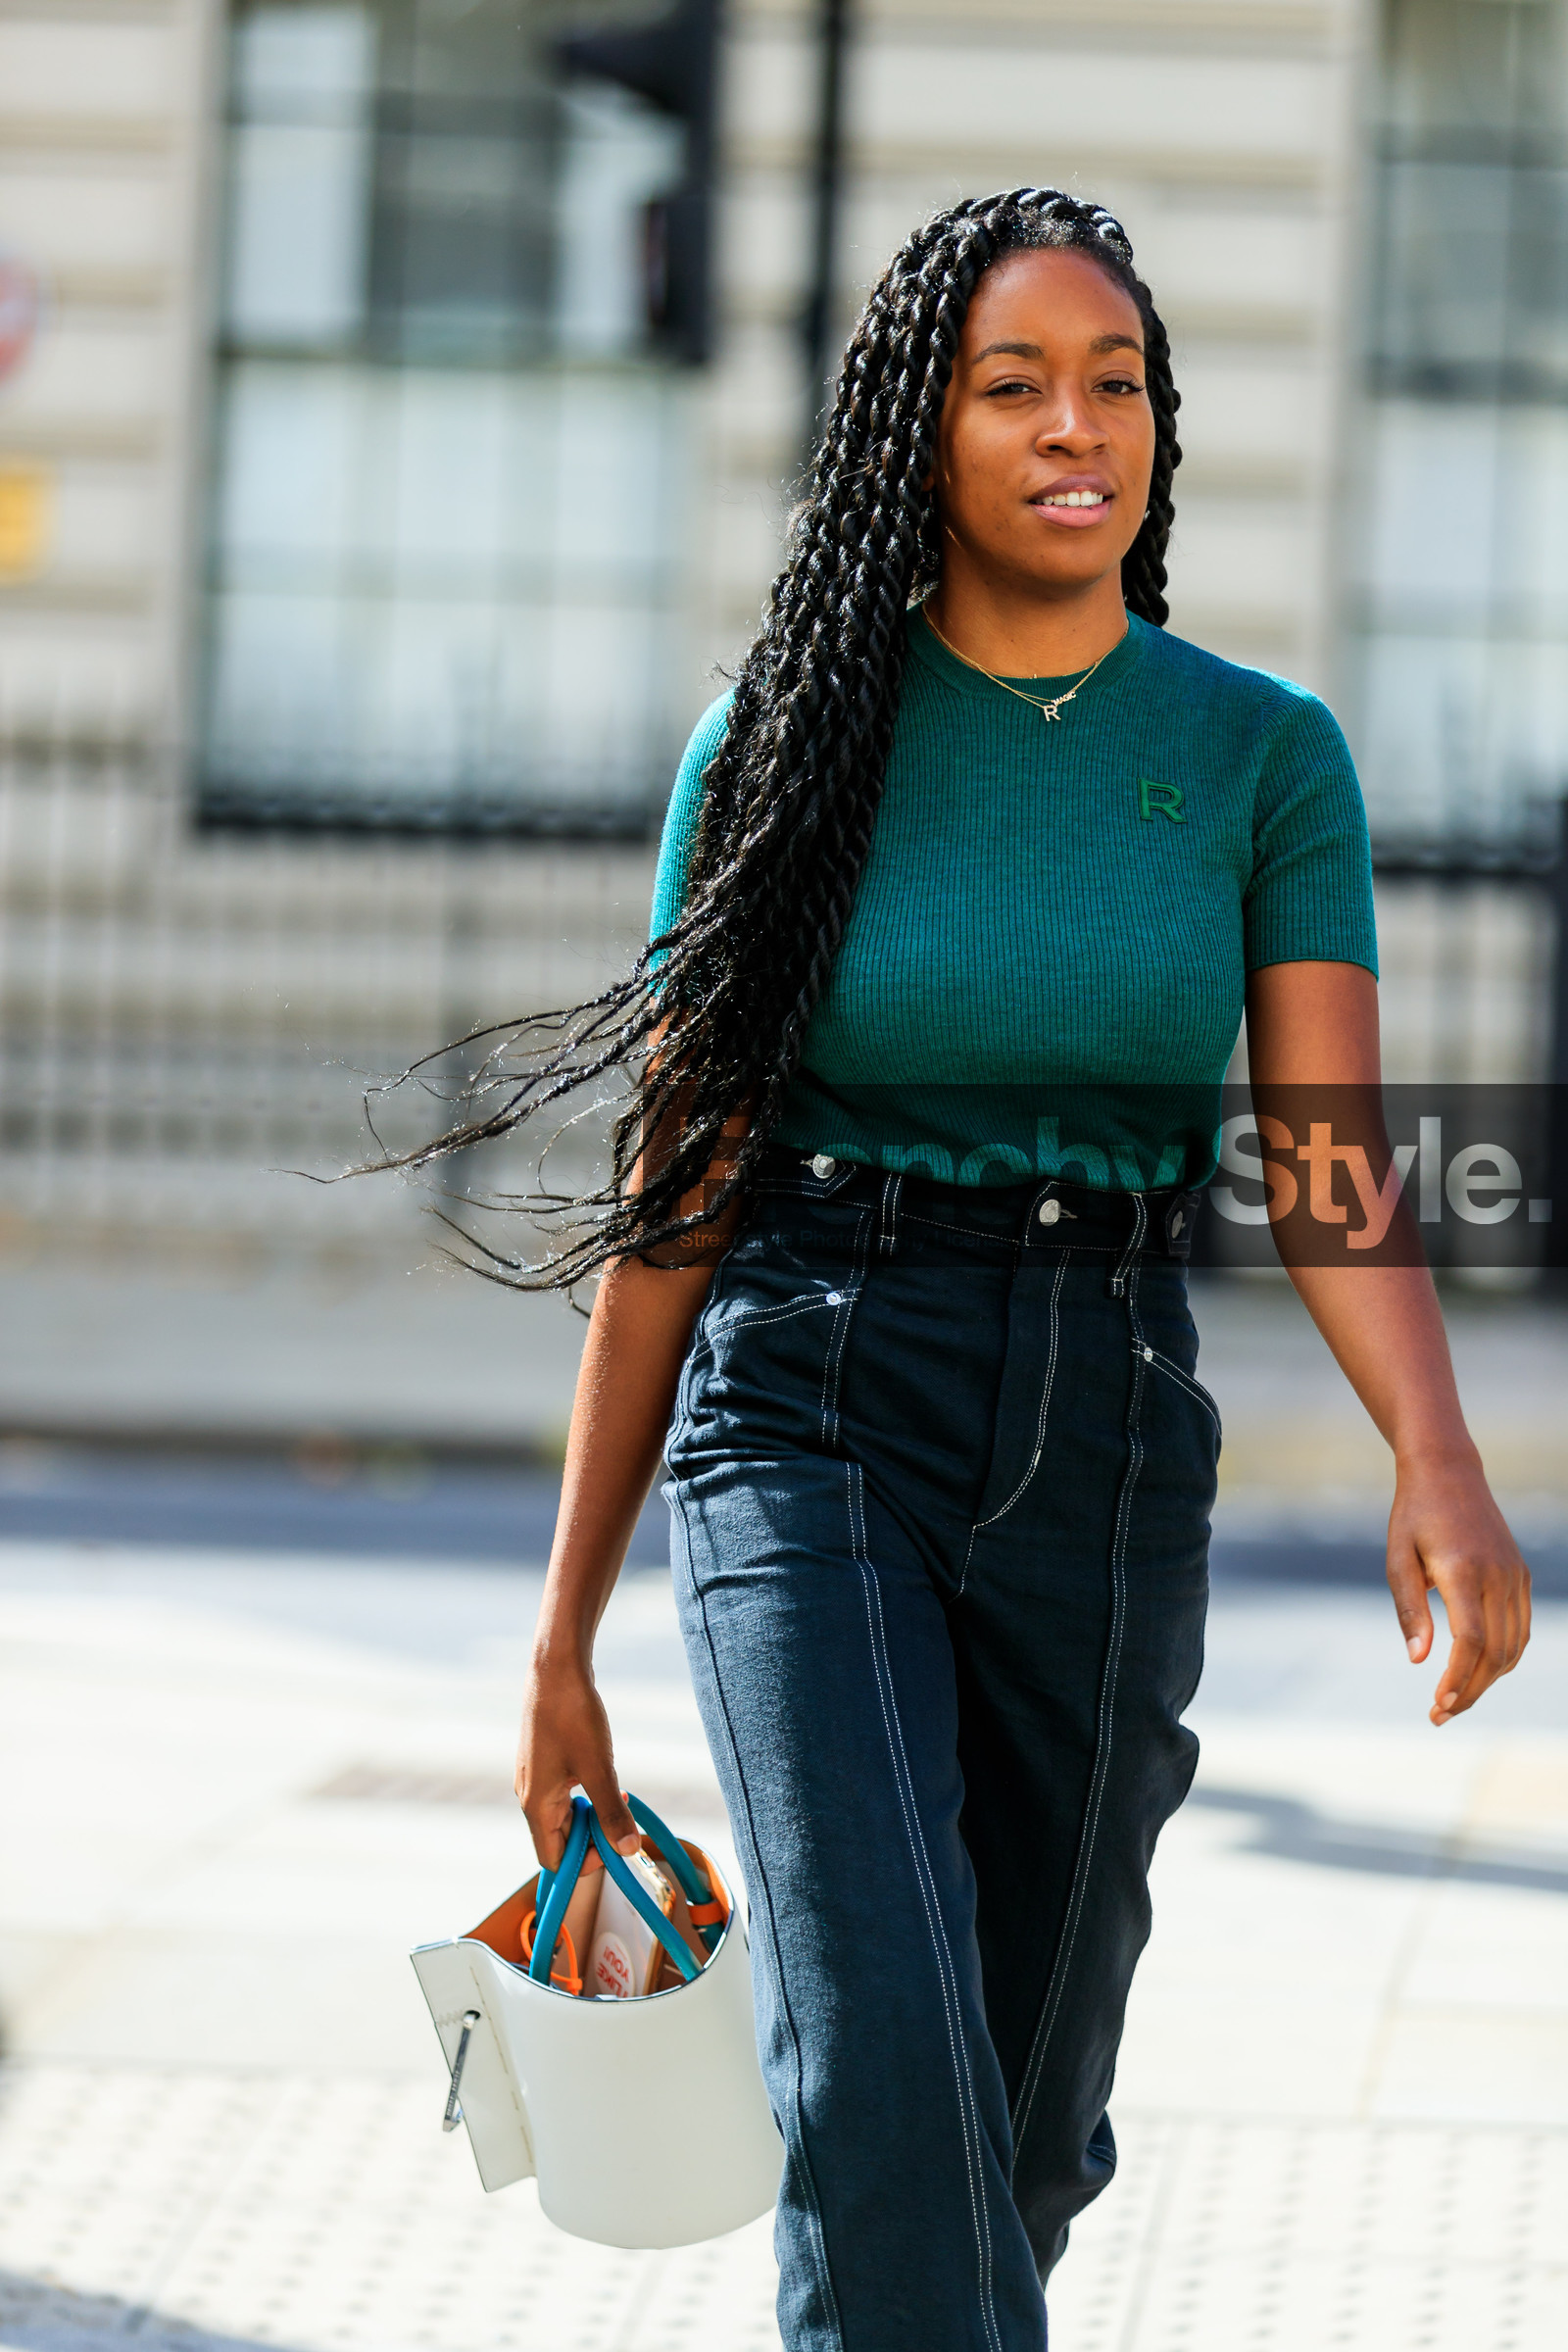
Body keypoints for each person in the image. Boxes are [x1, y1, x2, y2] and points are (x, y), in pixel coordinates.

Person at [429, 190, 1532, 2348]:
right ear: (912, 433)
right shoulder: (786, 746)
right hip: (811, 1399)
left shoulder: (1253, 757)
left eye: (1111, 382)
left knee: (1016, 2119)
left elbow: (1320, 1162)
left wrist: (1437, 1453)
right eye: (1009, 382)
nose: (1072, 425)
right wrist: (562, 1628)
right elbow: (677, 1191)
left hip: (1107, 1424)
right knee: (869, 2064)